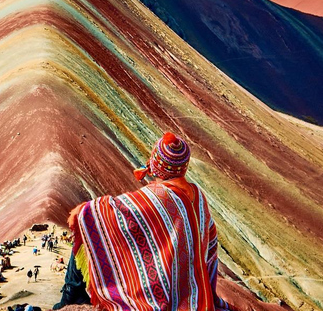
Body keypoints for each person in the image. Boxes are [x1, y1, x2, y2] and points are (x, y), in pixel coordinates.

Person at [53, 132, 229, 311]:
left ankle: (71, 293)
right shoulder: (197, 194)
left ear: (157, 162)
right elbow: (210, 242)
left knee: (91, 224)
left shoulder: (158, 196)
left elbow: (115, 212)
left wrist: (90, 211)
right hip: (195, 293)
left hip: (159, 290)